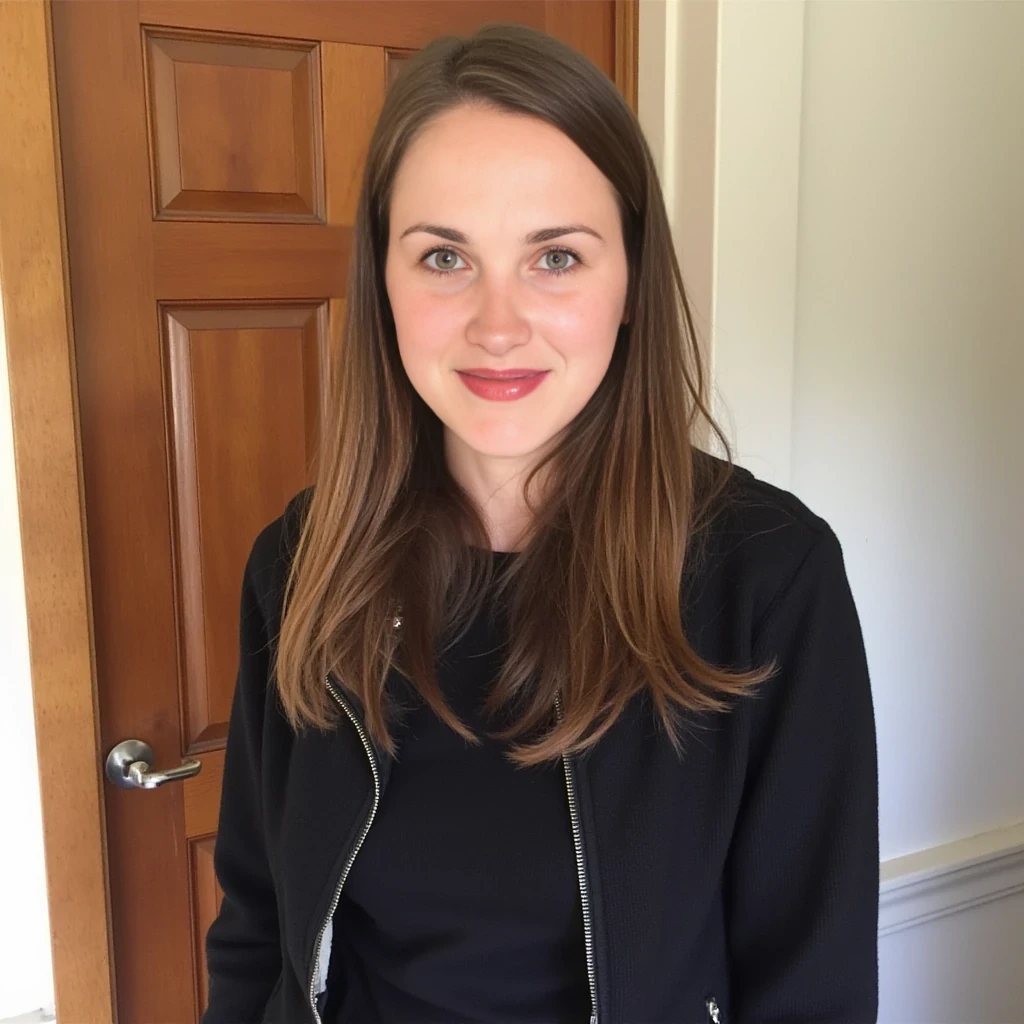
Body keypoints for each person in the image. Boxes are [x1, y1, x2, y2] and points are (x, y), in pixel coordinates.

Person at [201, 22, 879, 1024]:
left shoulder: (766, 576)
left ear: (631, 284)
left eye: (555, 256)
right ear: (382, 284)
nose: (498, 323)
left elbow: (809, 985)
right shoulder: (303, 561)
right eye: (443, 257)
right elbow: (260, 925)